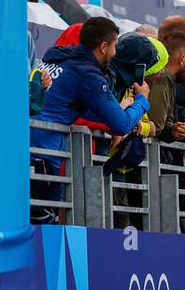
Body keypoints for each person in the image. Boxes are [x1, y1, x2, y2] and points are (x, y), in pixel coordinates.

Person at [31, 17, 151, 221]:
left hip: (28, 147)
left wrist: (116, 110)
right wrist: (142, 99)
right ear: (104, 47)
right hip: (43, 153)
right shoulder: (88, 74)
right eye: (114, 47)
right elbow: (121, 124)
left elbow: (76, 107)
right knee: (42, 226)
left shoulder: (59, 57)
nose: (115, 54)